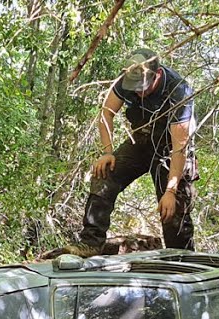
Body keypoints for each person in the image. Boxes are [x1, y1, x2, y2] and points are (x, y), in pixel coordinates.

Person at [79, 48, 198, 254]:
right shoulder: (127, 79)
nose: (139, 92)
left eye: (143, 87)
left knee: (173, 207)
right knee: (105, 174)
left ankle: (182, 260)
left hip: (172, 149)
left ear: (157, 75)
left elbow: (180, 147)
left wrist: (170, 190)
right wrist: (108, 152)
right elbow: (106, 114)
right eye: (135, 88)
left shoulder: (178, 91)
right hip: (142, 139)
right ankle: (90, 243)